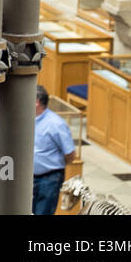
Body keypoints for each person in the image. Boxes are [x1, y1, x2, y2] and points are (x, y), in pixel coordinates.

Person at [33, 84, 77, 215]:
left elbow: (70, 154)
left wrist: (52, 165)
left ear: (37, 102)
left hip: (48, 179)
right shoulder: (26, 119)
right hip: (27, 178)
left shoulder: (56, 124)